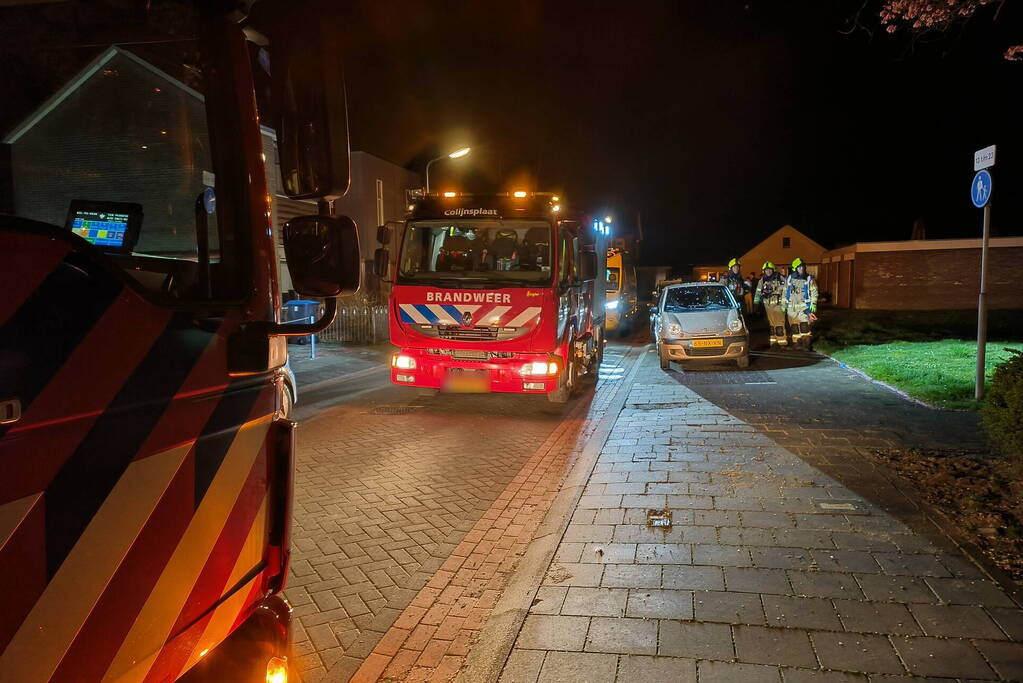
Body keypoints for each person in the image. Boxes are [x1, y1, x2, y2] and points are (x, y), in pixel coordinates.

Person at [784, 257, 818, 349]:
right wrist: (784, 304)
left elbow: (814, 292)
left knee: (804, 326)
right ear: (795, 268)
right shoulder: (789, 279)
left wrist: (813, 304)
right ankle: (797, 344)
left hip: (804, 308)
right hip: (792, 308)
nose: (801, 269)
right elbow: (784, 292)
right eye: (799, 267)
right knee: (794, 327)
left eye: (802, 267)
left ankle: (806, 344)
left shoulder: (809, 279)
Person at [753, 261, 786, 349]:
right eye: (766, 270)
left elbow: (786, 289)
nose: (768, 271)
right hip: (767, 306)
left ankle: (782, 343)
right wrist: (756, 303)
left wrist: (776, 291)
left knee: (779, 324)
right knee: (771, 325)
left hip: (778, 304)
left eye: (770, 270)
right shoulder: (762, 280)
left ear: (773, 270)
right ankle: (773, 343)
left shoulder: (779, 278)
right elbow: (758, 292)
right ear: (764, 271)